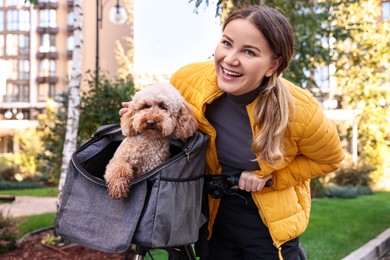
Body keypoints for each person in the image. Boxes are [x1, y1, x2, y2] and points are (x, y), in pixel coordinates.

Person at [121, 5, 344, 260]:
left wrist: (269, 177)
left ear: (273, 65)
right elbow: (170, 119)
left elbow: (330, 159)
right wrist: (142, 119)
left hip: (268, 223)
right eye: (227, 43)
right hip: (212, 215)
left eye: (249, 51)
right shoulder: (187, 81)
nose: (230, 59)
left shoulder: (301, 111)